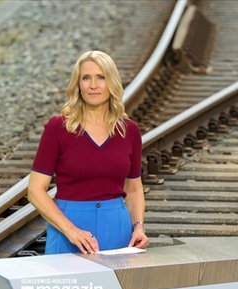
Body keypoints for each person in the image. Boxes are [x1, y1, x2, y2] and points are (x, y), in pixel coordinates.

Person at [28, 50, 149, 254]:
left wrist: (138, 226)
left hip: (118, 230)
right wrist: (71, 231)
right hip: (69, 231)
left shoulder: (130, 131)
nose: (93, 85)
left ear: (111, 82)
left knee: (116, 287)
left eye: (101, 77)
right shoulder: (58, 128)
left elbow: (135, 189)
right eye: (86, 78)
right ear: (78, 85)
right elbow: (35, 191)